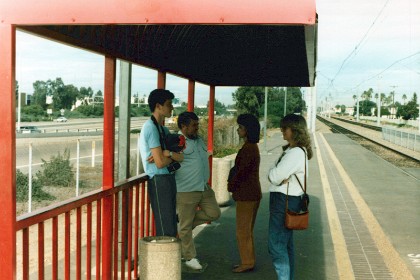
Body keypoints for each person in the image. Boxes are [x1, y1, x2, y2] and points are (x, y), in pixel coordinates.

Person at [267, 113, 313, 280]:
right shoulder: (294, 151)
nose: (282, 131)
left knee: (276, 246)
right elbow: (277, 175)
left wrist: (275, 173)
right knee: (285, 245)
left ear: (294, 130)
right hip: (289, 200)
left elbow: (273, 176)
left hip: (283, 201)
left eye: (284, 128)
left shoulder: (295, 153)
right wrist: (277, 173)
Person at [175, 111, 221, 270]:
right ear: (183, 126)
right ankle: (189, 257)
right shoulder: (176, 141)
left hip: (203, 187)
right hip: (186, 189)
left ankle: (182, 229)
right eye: (194, 125)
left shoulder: (199, 140)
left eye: (197, 125)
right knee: (185, 226)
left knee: (214, 213)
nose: (197, 128)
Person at [139, 89, 184, 237]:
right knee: (165, 226)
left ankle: (170, 258)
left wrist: (167, 154)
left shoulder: (162, 129)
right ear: (158, 106)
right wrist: (167, 155)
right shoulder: (150, 128)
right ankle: (164, 259)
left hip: (168, 177)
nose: (172, 107)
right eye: (169, 104)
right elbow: (159, 163)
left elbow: (181, 156)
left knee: (171, 221)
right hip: (159, 180)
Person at [228, 114, 262, 273]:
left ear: (247, 130)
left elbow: (241, 172)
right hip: (252, 193)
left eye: (241, 127)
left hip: (247, 195)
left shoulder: (248, 148)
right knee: (246, 230)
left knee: (242, 231)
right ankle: (248, 260)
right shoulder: (252, 146)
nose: (238, 129)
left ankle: (247, 262)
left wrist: (231, 185)